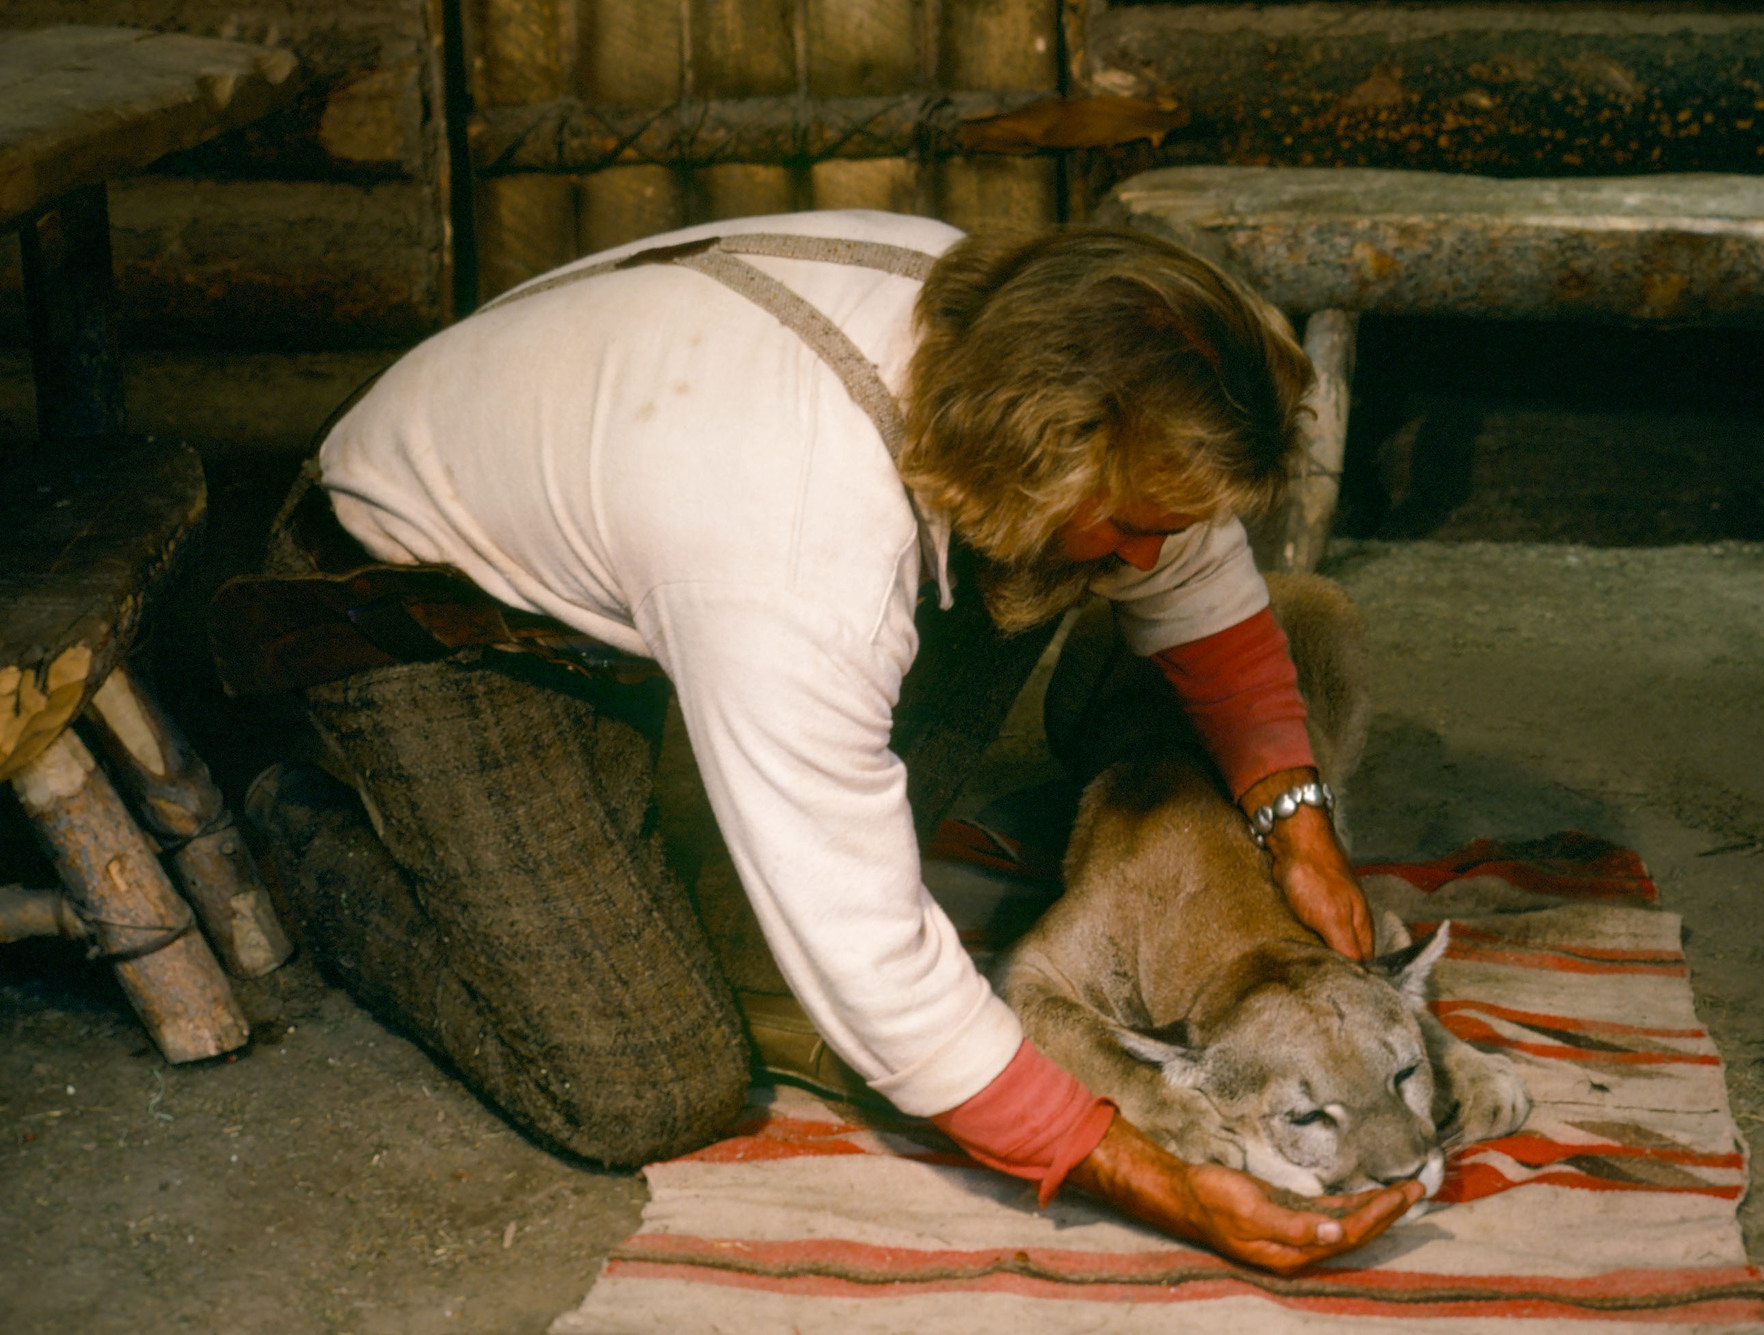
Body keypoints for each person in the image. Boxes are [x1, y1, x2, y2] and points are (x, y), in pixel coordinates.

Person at [242, 209, 1414, 1274]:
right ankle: (301, 827)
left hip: (638, 554)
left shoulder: (1009, 344)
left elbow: (1195, 564)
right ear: (1038, 453)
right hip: (412, 607)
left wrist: (1291, 817)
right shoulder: (795, 544)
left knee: (1051, 567)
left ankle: (705, 803)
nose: (1155, 558)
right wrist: (1156, 1181)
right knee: (644, 1080)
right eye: (1137, 523)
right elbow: (878, 976)